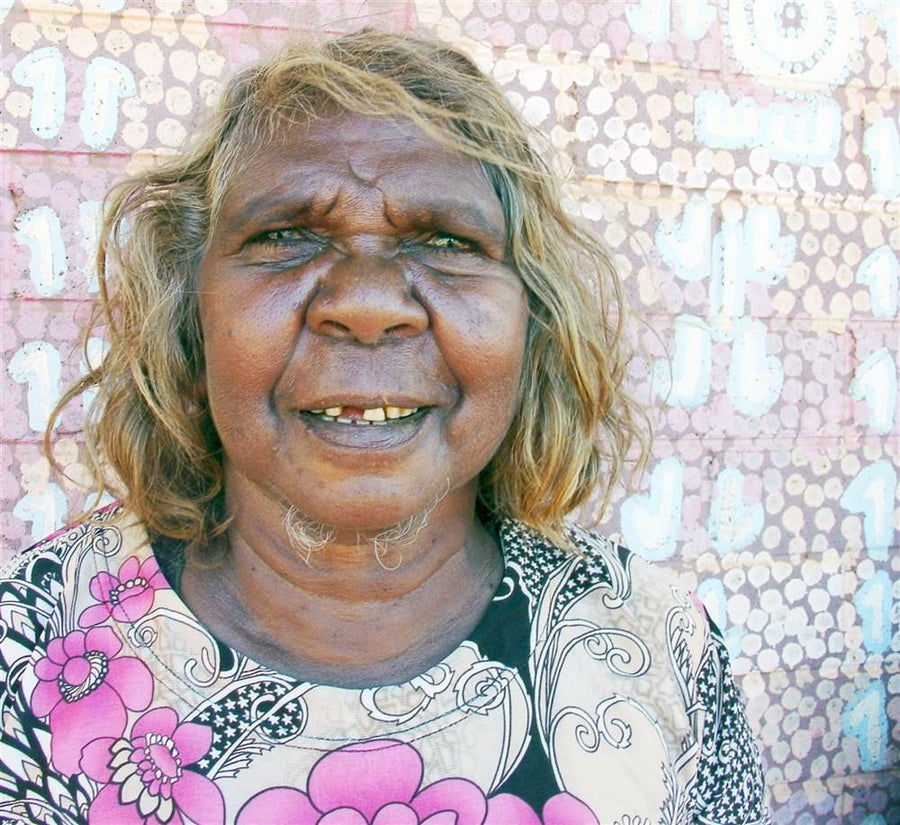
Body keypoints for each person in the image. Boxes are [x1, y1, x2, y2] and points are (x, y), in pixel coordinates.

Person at [0, 30, 769, 825]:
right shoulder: (28, 650)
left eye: (446, 241)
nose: (367, 303)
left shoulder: (659, 648)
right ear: (187, 315)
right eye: (285, 235)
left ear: (529, 326)